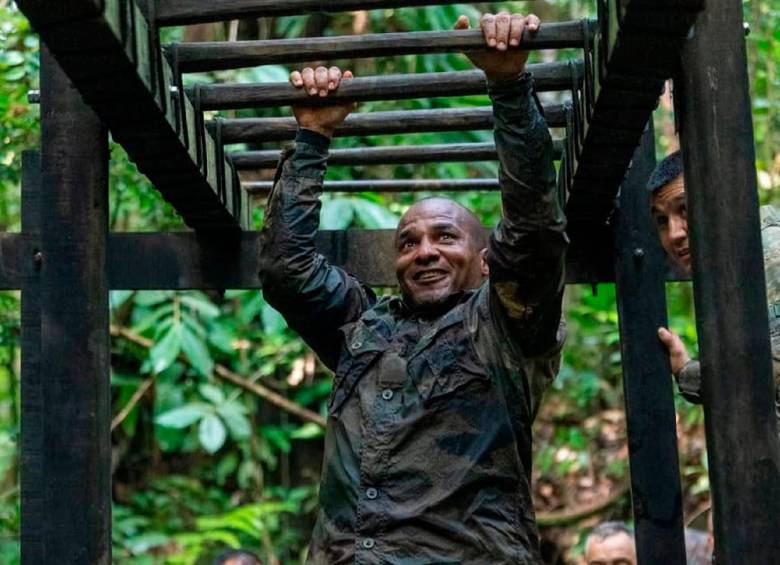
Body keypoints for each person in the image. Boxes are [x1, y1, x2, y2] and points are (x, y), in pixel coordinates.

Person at [258, 11, 567, 564]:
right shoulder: (364, 328)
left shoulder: (504, 329)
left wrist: (508, 85)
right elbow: (287, 271)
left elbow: (535, 234)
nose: (424, 251)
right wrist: (311, 137)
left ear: (486, 261)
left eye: (445, 237)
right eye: (408, 242)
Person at [650, 150, 780, 436]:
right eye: (661, 221)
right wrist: (686, 371)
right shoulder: (725, 273)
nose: (673, 234)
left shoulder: (769, 251)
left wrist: (693, 375)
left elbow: (764, 372)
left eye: (683, 209)